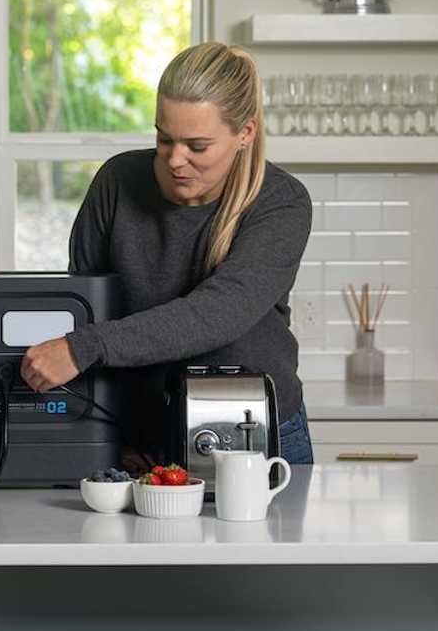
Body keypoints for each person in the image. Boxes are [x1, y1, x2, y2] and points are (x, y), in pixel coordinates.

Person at [18, 41, 315, 465]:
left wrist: (84, 347)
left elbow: (219, 312)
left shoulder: (280, 202)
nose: (176, 160)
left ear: (244, 133)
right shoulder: (117, 182)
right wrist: (107, 432)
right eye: (164, 138)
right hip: (141, 440)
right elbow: (86, 305)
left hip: (257, 433)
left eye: (197, 146)